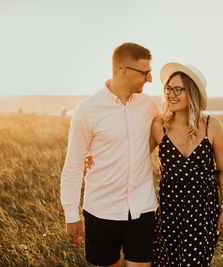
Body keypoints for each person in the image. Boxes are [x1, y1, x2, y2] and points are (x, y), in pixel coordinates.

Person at [60, 42, 160, 267]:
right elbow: (74, 165)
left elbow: (161, 139)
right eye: (145, 73)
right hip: (101, 210)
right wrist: (70, 213)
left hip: (142, 209)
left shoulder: (148, 105)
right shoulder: (87, 110)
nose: (150, 79)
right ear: (123, 71)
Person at [150, 63, 223, 266]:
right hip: (169, 211)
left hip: (203, 212)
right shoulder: (159, 126)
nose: (171, 94)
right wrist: (96, 158)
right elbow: (136, 159)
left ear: (192, 92)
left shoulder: (212, 126)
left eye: (178, 89)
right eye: (168, 89)